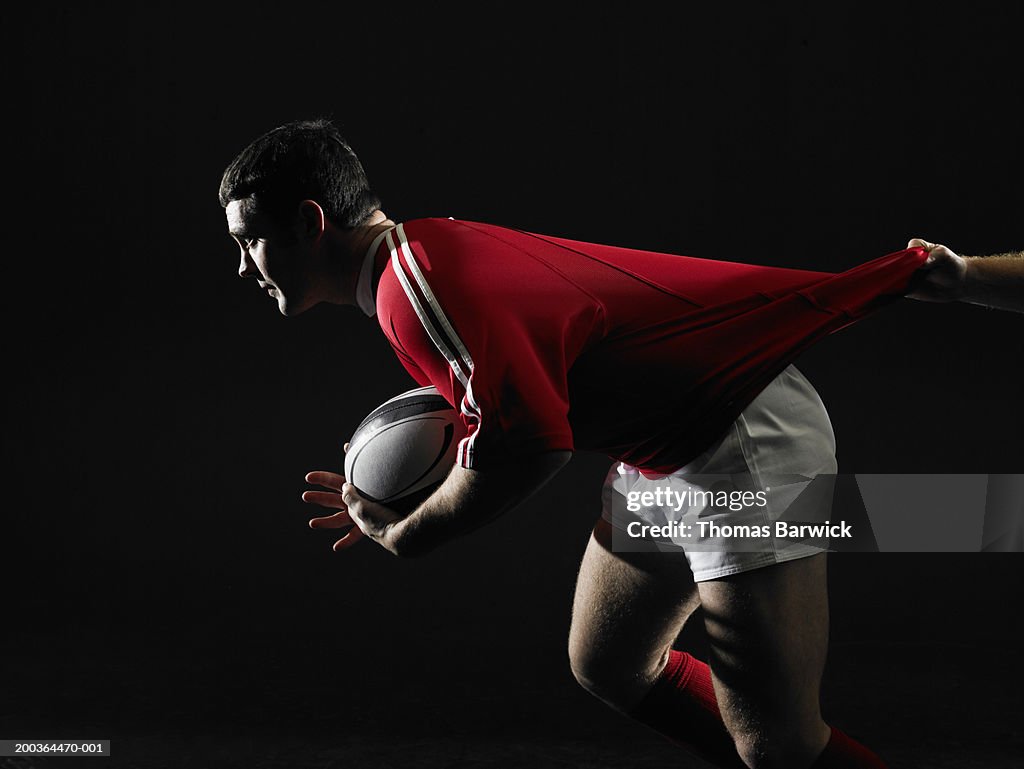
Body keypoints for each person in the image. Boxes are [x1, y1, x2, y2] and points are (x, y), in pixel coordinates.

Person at [219, 119, 1022, 769]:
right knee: (608, 662)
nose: (244, 267)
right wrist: (405, 493)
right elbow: (503, 414)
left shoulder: (413, 289)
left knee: (778, 743)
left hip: (732, 435)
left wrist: (410, 530)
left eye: (250, 241)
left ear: (309, 224)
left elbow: (535, 445)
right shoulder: (414, 262)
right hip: (659, 443)